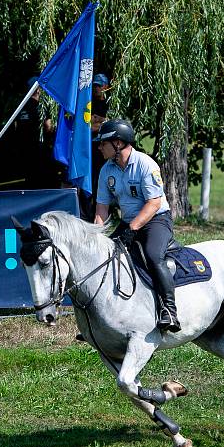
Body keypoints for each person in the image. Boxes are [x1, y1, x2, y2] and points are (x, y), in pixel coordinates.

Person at [93, 118, 180, 332]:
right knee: (102, 257)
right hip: (128, 221)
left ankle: (169, 310)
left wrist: (132, 229)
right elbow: (101, 209)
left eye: (103, 143)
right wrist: (96, 236)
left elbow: (154, 203)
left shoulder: (145, 164)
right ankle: (101, 319)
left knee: (152, 255)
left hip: (156, 219)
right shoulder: (106, 170)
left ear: (118, 143)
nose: (99, 147)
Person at [13, 76, 57, 189]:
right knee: (43, 181)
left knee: (29, 182)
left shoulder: (20, 106)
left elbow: (16, 127)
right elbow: (48, 127)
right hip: (40, 150)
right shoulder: (41, 106)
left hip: (24, 151)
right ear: (38, 89)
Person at [79, 73, 111, 220]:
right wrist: (100, 123)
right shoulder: (89, 103)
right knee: (88, 182)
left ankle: (104, 213)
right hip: (90, 149)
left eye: (99, 86)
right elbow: (86, 126)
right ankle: (87, 214)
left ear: (106, 86)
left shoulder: (110, 104)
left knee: (103, 181)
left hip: (104, 151)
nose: (96, 88)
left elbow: (111, 125)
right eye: (95, 86)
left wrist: (101, 121)